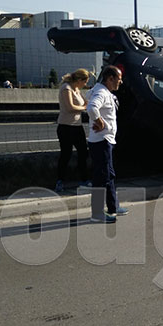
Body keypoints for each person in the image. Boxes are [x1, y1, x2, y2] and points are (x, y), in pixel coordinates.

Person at [86, 65, 128, 223]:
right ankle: (97, 214)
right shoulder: (102, 93)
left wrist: (99, 121)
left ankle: (113, 207)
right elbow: (91, 107)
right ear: (110, 78)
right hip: (101, 142)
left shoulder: (101, 91)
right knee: (101, 177)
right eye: (119, 79)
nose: (121, 82)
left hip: (105, 140)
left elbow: (88, 98)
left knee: (109, 175)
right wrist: (100, 122)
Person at [54, 69, 92, 193]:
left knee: (83, 153)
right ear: (79, 80)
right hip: (66, 126)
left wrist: (87, 105)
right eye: (85, 82)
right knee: (66, 154)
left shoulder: (76, 90)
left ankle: (84, 179)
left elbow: (86, 102)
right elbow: (70, 107)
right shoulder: (66, 88)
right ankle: (60, 181)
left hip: (77, 126)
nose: (85, 84)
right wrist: (84, 108)